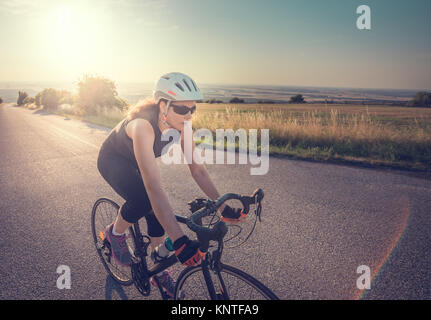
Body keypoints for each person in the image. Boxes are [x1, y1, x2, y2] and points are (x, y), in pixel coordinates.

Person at [97, 72, 242, 298]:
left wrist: (222, 205)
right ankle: (114, 233)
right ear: (163, 105)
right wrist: (179, 240)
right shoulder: (142, 126)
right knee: (145, 199)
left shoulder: (183, 126)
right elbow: (153, 186)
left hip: (136, 161)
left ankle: (158, 271)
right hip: (113, 160)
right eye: (182, 109)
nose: (189, 115)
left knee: (157, 213)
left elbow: (198, 169)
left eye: (192, 109)